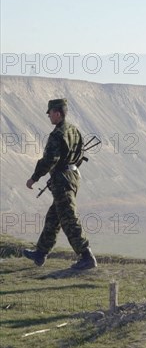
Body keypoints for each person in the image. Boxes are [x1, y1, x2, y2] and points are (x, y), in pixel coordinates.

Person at [23, 99, 97, 270]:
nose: (48, 115)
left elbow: (50, 159)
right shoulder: (74, 130)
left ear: (57, 113)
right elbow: (79, 156)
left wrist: (34, 177)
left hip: (62, 180)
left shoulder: (57, 134)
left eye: (50, 112)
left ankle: (86, 256)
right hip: (72, 176)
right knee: (54, 217)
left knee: (68, 218)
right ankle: (40, 253)